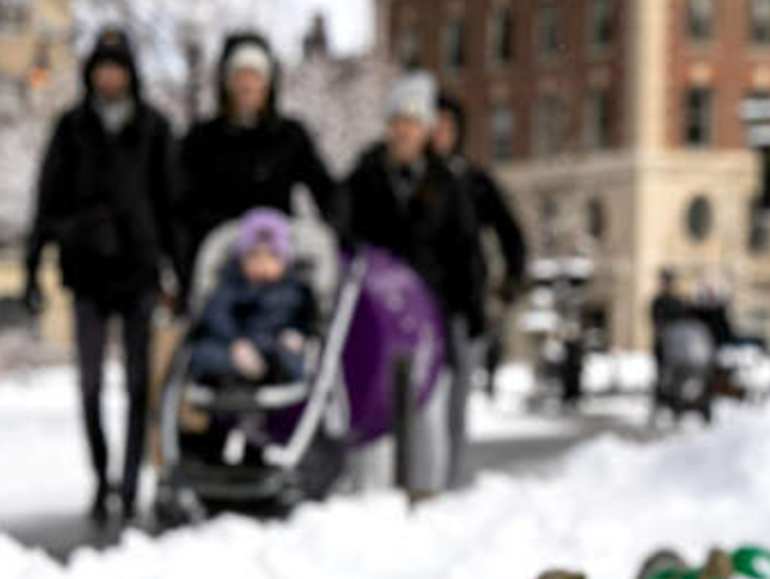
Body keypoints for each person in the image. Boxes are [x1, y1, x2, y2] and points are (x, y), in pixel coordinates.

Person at [23, 27, 180, 528]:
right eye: (102, 68)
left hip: (138, 273)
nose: (110, 77)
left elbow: (172, 205)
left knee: (137, 384)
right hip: (87, 272)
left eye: (118, 68)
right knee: (90, 386)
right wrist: (33, 266)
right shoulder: (71, 128)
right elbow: (46, 199)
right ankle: (100, 476)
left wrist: (178, 271)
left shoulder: (155, 128)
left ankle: (131, 484)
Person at [343, 74, 479, 499]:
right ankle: (371, 498)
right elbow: (342, 233)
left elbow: (466, 252)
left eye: (413, 122)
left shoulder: (447, 183)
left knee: (427, 410)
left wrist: (470, 312)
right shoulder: (363, 177)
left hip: (430, 318)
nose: (404, 130)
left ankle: (426, 497)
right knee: (373, 407)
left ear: (426, 129)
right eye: (397, 121)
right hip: (373, 318)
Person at [176, 32, 339, 283]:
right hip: (220, 265)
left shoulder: (290, 136)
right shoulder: (202, 139)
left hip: (278, 260)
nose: (247, 85)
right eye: (240, 76)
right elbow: (182, 205)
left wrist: (338, 231)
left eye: (255, 76)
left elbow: (326, 191)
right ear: (227, 82)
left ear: (268, 82)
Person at [432, 95, 526, 481]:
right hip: (419, 307)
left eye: (447, 126)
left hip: (463, 305)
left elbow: (510, 233)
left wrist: (510, 281)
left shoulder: (473, 181)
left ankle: (449, 479)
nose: (439, 134)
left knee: (455, 402)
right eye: (433, 125)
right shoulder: (410, 179)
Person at [185, 209, 316, 385]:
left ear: (285, 261)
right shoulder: (231, 286)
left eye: (271, 256)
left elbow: (308, 318)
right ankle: (227, 378)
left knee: (293, 354)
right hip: (238, 345)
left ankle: (283, 376)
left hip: (275, 347)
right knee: (202, 353)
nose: (262, 264)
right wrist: (235, 343)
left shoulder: (296, 290)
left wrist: (299, 333)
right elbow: (216, 315)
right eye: (253, 256)